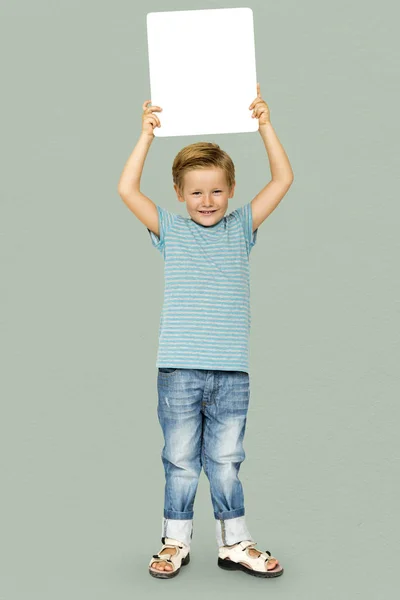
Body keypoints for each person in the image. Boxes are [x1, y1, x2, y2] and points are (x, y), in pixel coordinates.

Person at [117, 83, 294, 579]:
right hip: (177, 371)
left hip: (231, 373)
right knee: (179, 460)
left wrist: (265, 124)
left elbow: (283, 179)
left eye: (217, 190)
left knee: (226, 459)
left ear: (232, 190)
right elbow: (127, 190)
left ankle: (234, 542)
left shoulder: (241, 228)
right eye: (196, 192)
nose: (207, 200)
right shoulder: (170, 230)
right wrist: (146, 135)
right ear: (179, 194)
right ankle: (175, 542)